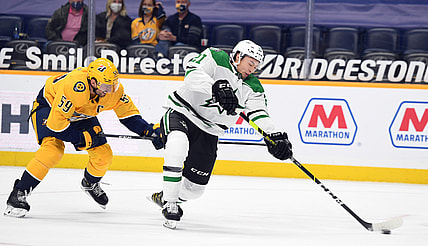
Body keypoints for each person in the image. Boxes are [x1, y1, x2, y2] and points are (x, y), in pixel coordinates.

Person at [149, 40, 293, 229]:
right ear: (238, 56)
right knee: (177, 145)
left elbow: (259, 113)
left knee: (194, 190)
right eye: (250, 64)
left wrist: (274, 136)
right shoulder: (215, 57)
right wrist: (215, 87)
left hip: (210, 130)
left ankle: (165, 196)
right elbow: (192, 75)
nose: (252, 69)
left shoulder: (253, 86)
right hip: (182, 112)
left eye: (256, 67)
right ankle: (170, 203)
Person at [4, 58, 163, 218]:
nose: (110, 90)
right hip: (49, 107)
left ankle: (90, 183)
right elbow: (55, 125)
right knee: (52, 151)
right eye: (107, 86)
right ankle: (18, 193)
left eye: (113, 85)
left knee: (104, 155)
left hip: (80, 113)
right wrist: (81, 137)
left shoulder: (113, 91)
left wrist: (149, 131)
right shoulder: (75, 87)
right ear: (92, 82)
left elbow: (129, 116)